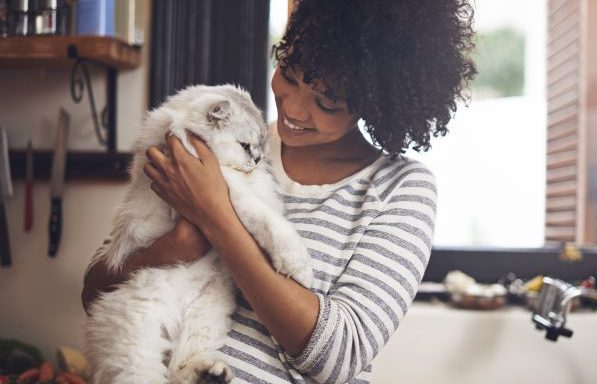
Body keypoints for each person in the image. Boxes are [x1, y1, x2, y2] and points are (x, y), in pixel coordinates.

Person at [81, 0, 476, 382]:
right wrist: (176, 246)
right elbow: (95, 290)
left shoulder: (400, 189)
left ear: (373, 103)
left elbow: (338, 359)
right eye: (289, 73)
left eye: (327, 102)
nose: (295, 109)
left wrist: (216, 217)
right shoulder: (229, 141)